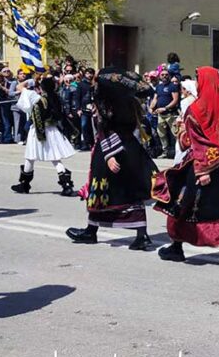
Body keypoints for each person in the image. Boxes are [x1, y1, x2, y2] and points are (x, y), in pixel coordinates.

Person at [152, 67, 219, 266]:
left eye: (199, 79)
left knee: (184, 205)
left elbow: (198, 142)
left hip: (201, 166)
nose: (197, 83)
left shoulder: (197, 109)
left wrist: (201, 168)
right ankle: (178, 245)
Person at [66, 69, 158, 250]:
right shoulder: (129, 101)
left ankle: (93, 232)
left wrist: (109, 154)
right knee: (130, 191)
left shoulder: (107, 102)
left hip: (111, 149)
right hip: (130, 148)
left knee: (103, 189)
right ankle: (140, 234)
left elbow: (106, 128)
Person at [10, 77, 76, 196]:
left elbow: (20, 87)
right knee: (55, 158)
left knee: (30, 157)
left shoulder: (36, 98)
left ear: (41, 87)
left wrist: (31, 80)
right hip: (52, 129)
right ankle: (66, 185)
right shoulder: (56, 98)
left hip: (38, 130)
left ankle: (24, 184)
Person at [151, 65, 180, 159]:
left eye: (166, 75)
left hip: (171, 114)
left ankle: (180, 152)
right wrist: (151, 108)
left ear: (169, 76)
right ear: (160, 76)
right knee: (161, 134)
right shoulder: (158, 87)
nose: (164, 76)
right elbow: (155, 99)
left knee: (176, 133)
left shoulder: (173, 86)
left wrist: (165, 108)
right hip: (160, 115)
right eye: (162, 74)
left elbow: (175, 100)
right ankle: (165, 151)